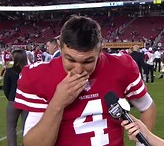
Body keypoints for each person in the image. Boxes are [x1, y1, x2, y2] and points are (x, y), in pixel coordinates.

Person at [14, 15, 156, 146]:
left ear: (100, 49)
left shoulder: (121, 66)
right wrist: (57, 103)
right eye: (70, 59)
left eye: (88, 61)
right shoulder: (39, 75)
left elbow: (148, 107)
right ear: (60, 46)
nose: (79, 69)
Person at [3, 49, 29, 146]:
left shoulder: (9, 71)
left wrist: (10, 98)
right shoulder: (29, 70)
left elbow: (6, 88)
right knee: (26, 127)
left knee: (11, 127)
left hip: (13, 100)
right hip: (26, 101)